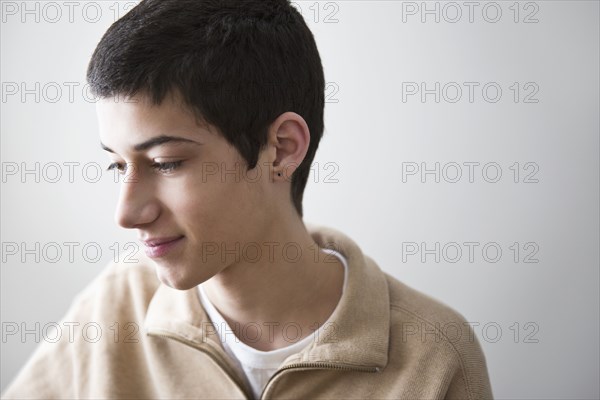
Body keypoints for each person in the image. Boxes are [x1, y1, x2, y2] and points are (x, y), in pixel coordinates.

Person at [2, 0, 494, 399]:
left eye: (168, 162)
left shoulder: (433, 354)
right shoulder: (113, 308)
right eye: (117, 165)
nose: (127, 213)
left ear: (281, 149)